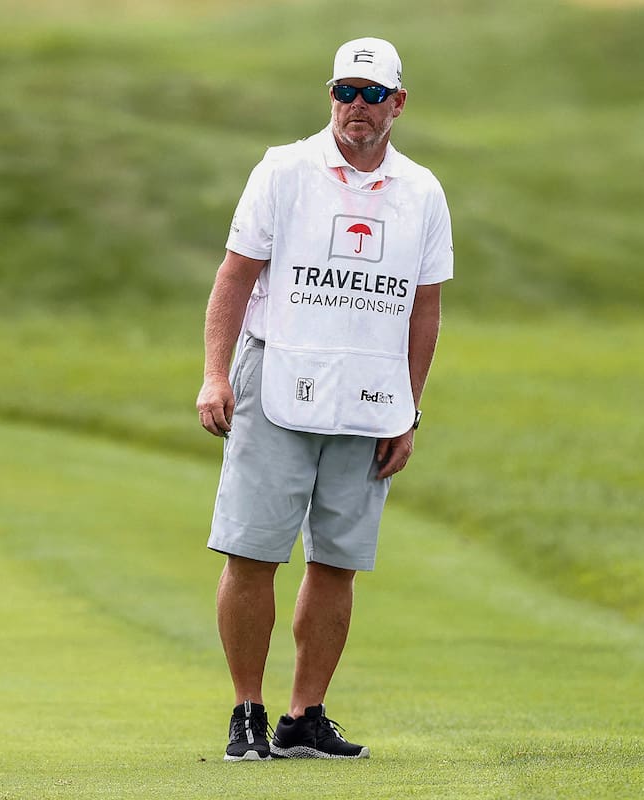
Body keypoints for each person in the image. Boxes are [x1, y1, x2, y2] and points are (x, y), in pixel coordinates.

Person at [195, 36, 453, 761]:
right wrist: (216, 375)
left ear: (398, 103)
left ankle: (304, 715)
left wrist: (411, 407)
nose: (357, 107)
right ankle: (247, 708)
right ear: (330, 96)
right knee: (251, 550)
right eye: (345, 91)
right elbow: (235, 276)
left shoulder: (423, 191)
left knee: (338, 559)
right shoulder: (285, 169)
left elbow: (423, 308)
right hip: (277, 375)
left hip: (370, 393)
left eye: (373, 95)